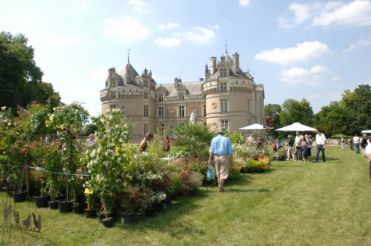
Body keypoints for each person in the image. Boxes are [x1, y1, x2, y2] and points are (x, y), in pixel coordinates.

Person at [208, 127, 233, 192]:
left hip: (216, 157)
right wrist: (231, 161)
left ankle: (221, 188)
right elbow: (230, 152)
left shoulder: (214, 139)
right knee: (223, 173)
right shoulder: (227, 139)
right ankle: (220, 188)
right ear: (224, 133)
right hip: (224, 157)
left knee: (218, 173)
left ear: (218, 132)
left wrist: (210, 159)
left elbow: (211, 150)